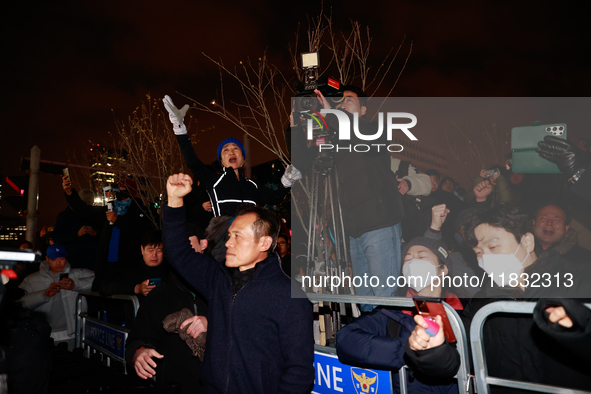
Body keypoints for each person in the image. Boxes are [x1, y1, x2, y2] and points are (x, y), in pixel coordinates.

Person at [162, 172, 314, 394]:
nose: (229, 243)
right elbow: (178, 253)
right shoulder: (218, 279)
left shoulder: (288, 295)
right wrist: (175, 201)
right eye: (229, 235)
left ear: (264, 243)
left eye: (238, 236)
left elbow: (299, 371)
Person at [294, 86, 405, 311]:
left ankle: (392, 344)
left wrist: (333, 116)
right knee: (364, 299)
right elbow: (303, 164)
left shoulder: (373, 130)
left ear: (363, 110)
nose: (341, 104)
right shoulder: (336, 141)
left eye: (349, 101)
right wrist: (296, 127)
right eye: (339, 103)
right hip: (352, 232)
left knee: (385, 294)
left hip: (379, 223)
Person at [336, 237, 461, 393]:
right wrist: (406, 351)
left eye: (421, 257)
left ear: (443, 269)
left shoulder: (462, 313)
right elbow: (346, 339)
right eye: (407, 259)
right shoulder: (391, 311)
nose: (412, 263)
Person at [163, 95, 301, 218]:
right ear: (221, 161)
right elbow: (192, 161)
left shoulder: (253, 186)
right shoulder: (213, 181)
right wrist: (179, 128)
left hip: (248, 242)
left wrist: (287, 182)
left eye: (236, 149)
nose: (231, 152)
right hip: (224, 243)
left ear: (243, 159)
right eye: (225, 150)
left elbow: (274, 198)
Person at [126, 228, 209, 394]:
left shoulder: (222, 288)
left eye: (185, 244)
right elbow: (138, 338)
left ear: (203, 244)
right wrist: (139, 352)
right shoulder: (160, 295)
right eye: (172, 246)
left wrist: (212, 322)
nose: (178, 251)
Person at [62, 176, 156, 291]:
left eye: (123, 189)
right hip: (108, 265)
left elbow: (143, 232)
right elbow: (86, 211)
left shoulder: (141, 210)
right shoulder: (110, 208)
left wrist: (118, 221)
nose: (119, 191)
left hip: (129, 265)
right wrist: (70, 193)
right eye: (118, 188)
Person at [18, 244, 94, 350]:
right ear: (47, 259)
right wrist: (43, 295)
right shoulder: (31, 279)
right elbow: (20, 303)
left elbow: (97, 280)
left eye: (62, 258)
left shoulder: (77, 274)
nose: (58, 263)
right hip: (41, 334)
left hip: (72, 334)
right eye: (54, 259)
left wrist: (75, 285)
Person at [98, 229, 168, 298]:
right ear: (142, 250)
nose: (154, 255)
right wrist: (137, 288)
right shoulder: (130, 269)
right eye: (150, 250)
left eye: (159, 250)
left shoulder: (170, 271)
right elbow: (104, 287)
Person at [52, 189, 99, 270]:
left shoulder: (95, 214)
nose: (87, 206)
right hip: (72, 261)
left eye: (90, 204)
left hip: (92, 260)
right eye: (85, 203)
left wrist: (95, 233)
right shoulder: (67, 216)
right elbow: (56, 238)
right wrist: (77, 234)